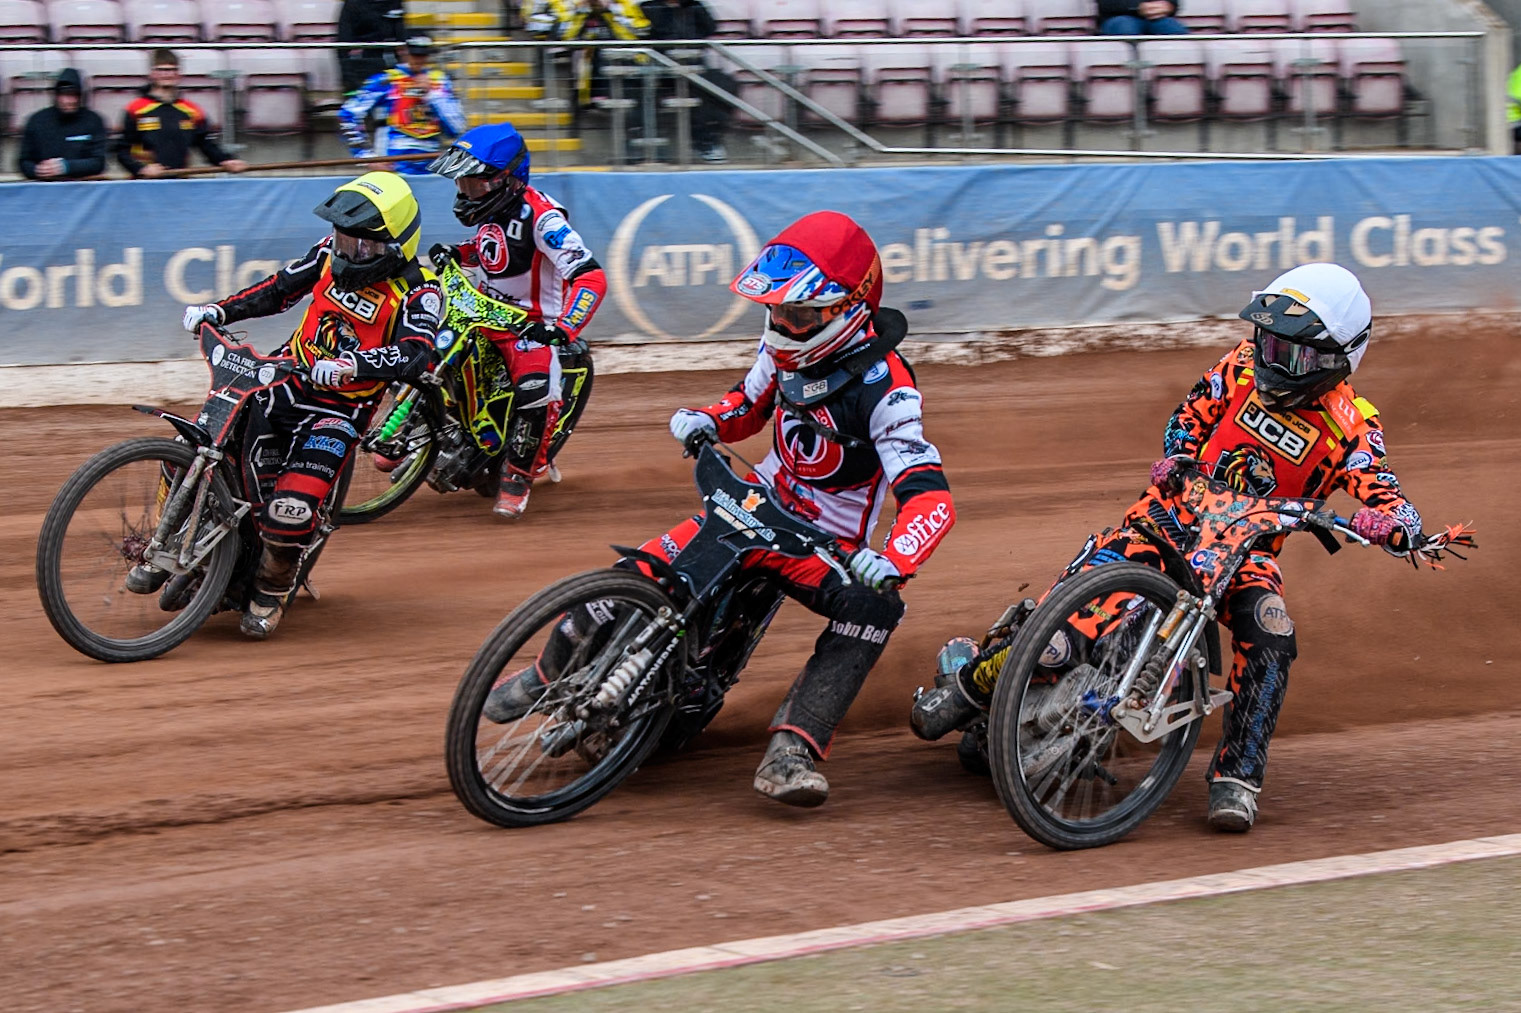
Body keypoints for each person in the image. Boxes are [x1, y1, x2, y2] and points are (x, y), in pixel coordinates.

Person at [911, 263, 1428, 833]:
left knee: (1272, 633)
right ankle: (970, 685)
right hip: (1164, 522)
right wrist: (1180, 454)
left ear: (1336, 360)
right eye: (1268, 341)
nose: (1270, 359)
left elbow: (1385, 489)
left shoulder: (1352, 427)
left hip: (1245, 553)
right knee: (1067, 633)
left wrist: (1398, 526)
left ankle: (1237, 778)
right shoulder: (1239, 365)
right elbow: (1189, 415)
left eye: (1291, 352)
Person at [484, 211, 957, 808]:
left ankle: (793, 748)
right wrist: (708, 419)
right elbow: (747, 405)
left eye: (799, 315)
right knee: (638, 571)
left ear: (848, 309)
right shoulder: (781, 346)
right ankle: (544, 674)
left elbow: (928, 493)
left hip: (822, 545)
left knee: (877, 607)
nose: (782, 324)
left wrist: (894, 558)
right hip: (752, 500)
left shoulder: (889, 389)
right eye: (777, 311)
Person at [173, 173, 443, 638]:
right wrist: (220, 310)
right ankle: (184, 534)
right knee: (195, 444)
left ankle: (270, 592)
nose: (347, 250)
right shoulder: (327, 253)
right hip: (284, 377)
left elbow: (417, 353)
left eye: (362, 245)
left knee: (288, 512)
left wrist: (353, 365)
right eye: (344, 238)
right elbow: (279, 289)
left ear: (395, 247)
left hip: (338, 412)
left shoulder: (421, 291)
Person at [426, 122, 608, 517]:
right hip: (483, 311)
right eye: (462, 185)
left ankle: (517, 478)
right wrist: (460, 254)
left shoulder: (546, 221)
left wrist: (563, 327)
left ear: (507, 179)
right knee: (429, 352)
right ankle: (423, 432)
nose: (465, 194)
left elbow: (591, 277)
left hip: (528, 325)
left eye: (474, 185)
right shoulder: (495, 209)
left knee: (535, 390)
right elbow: (493, 248)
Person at [339, 36, 467, 175]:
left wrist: (432, 95)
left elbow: (457, 128)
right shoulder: (386, 80)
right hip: (393, 162)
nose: (419, 59)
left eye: (423, 55)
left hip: (431, 164)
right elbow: (347, 114)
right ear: (403, 52)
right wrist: (367, 157)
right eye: (414, 54)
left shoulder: (440, 82)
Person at [117, 49, 248, 178]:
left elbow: (205, 144)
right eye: (161, 69)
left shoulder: (192, 109)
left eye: (172, 69)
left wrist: (226, 160)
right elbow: (122, 150)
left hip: (180, 180)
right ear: (152, 74)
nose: (167, 74)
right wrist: (141, 169)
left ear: (179, 74)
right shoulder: (135, 108)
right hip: (145, 183)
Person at [640, 0, 734, 163]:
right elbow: (657, 33)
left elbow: (710, 28)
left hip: (695, 65)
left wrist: (688, 7)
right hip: (662, 70)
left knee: (725, 83)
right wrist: (669, 10)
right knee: (694, 91)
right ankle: (704, 142)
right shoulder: (649, 7)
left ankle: (713, 135)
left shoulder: (694, 6)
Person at [525, 0, 650, 106]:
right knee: (589, 52)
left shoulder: (624, 4)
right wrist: (581, 11)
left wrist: (611, 10)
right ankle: (595, 95)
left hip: (627, 59)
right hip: (589, 63)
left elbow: (640, 30)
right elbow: (565, 36)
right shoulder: (574, 6)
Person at [17, 68, 108, 181]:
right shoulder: (36, 121)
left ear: (81, 97)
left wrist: (66, 167)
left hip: (81, 188)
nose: (68, 101)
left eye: (73, 95)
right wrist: (36, 170)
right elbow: (24, 161)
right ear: (56, 96)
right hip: (44, 187)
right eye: (64, 95)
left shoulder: (94, 121)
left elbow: (99, 163)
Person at [337, 0, 407, 95]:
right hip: (361, 68)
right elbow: (343, 43)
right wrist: (350, 79)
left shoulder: (394, 3)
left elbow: (401, 37)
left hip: (390, 67)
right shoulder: (353, 4)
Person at [1097, 0, 1189, 35]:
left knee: (1173, 29)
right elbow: (1104, 3)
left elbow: (1172, 3)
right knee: (1126, 28)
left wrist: (1168, 5)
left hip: (1156, 17)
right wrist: (1138, 6)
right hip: (1117, 16)